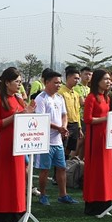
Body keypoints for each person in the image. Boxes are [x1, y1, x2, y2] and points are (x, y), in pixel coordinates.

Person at [0, 67, 33, 222]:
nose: (19, 85)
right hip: (5, 144)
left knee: (18, 179)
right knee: (4, 180)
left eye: (20, 82)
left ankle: (17, 212)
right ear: (7, 82)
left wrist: (28, 112)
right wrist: (14, 117)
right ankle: (1, 216)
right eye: (17, 81)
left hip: (19, 144)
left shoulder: (18, 99)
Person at [34, 70, 78, 205]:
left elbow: (64, 115)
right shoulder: (40, 99)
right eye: (55, 82)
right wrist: (59, 128)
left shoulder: (59, 98)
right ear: (46, 82)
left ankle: (63, 194)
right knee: (45, 170)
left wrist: (63, 126)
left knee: (61, 167)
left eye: (60, 82)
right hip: (45, 141)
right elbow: (41, 120)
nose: (58, 85)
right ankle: (43, 194)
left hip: (58, 140)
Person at [82, 70, 112, 215]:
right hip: (95, 139)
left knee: (106, 170)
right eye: (106, 79)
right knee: (96, 170)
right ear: (97, 81)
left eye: (109, 79)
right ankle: (93, 204)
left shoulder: (106, 98)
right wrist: (107, 118)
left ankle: (105, 203)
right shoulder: (91, 98)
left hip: (107, 138)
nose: (109, 82)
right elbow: (88, 119)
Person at [59, 67, 83, 160]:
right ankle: (58, 172)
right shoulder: (61, 92)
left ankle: (64, 169)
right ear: (68, 78)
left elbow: (77, 111)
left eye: (78, 78)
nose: (77, 81)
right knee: (62, 148)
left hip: (75, 125)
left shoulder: (76, 94)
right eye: (75, 78)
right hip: (65, 125)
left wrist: (79, 127)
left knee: (70, 148)